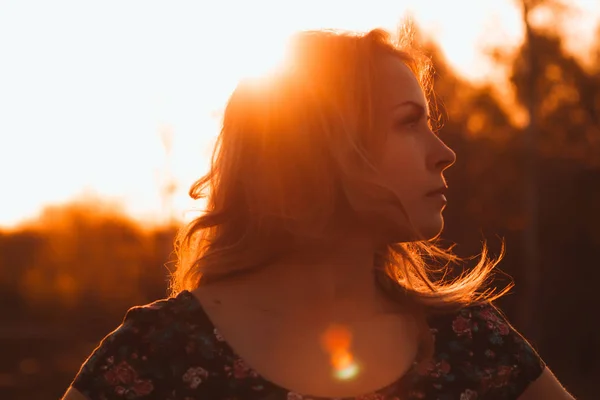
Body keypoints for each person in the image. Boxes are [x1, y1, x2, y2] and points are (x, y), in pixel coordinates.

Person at [62, 28, 574, 400]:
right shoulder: (158, 354)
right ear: (319, 147)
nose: (445, 152)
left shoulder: (476, 344)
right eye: (408, 123)